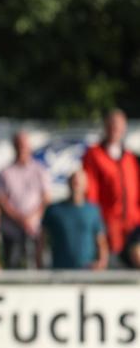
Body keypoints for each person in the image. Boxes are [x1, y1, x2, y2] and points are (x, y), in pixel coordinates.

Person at [83, 109, 140, 266]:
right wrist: (98, 225)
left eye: (119, 125)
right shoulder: (94, 155)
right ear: (105, 126)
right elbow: (91, 194)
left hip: (133, 226)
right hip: (108, 227)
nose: (115, 129)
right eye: (112, 124)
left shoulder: (130, 158)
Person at [0, 131, 51, 268]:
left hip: (35, 229)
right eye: (18, 145)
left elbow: (46, 198)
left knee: (37, 265)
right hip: (12, 229)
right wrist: (20, 219)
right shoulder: (5, 172)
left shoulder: (40, 170)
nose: (22, 148)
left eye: (24, 145)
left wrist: (32, 217)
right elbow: (1, 200)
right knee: (13, 264)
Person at [40, 171, 107, 270]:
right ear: (68, 183)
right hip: (59, 272)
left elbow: (101, 241)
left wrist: (101, 263)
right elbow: (42, 239)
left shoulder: (93, 211)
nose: (76, 184)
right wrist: (40, 265)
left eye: (79, 182)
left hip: (87, 272)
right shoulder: (53, 210)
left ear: (85, 185)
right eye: (74, 181)